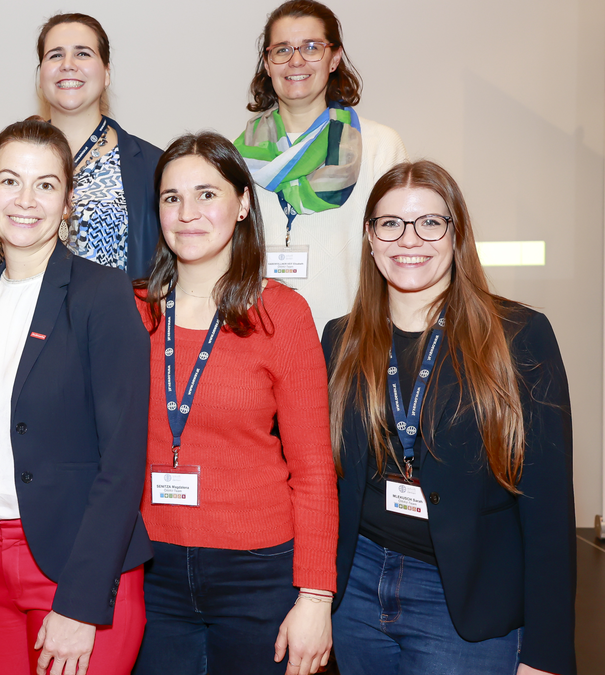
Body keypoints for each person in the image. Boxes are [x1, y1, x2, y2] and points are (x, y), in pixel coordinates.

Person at [323, 160, 576, 675]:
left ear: (455, 233)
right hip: (357, 591)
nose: (407, 239)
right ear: (371, 240)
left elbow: (548, 508)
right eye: (389, 223)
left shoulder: (517, 336)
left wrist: (547, 654)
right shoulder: (340, 339)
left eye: (430, 222)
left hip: (461, 599)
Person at [0, 119, 152, 675]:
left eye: (46, 184)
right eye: (10, 182)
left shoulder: (101, 293)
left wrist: (82, 602)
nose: (26, 200)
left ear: (67, 203)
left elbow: (124, 460)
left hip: (76, 564)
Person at [131, 131, 337, 675]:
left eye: (207, 194)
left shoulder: (282, 314)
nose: (187, 212)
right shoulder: (132, 312)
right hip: (150, 569)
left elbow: (314, 470)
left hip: (258, 573)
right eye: (171, 197)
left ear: (243, 203)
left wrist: (315, 597)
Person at [235, 0, 408, 332]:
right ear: (268, 64)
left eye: (312, 47)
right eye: (281, 50)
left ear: (335, 58)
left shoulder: (379, 146)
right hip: (258, 344)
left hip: (353, 343)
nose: (296, 60)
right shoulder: (238, 157)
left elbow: (401, 251)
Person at [0, 13, 162, 280]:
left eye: (83, 54)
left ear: (107, 72)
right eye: (55, 55)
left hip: (114, 319)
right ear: (41, 76)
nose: (68, 65)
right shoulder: (11, 158)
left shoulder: (151, 166)